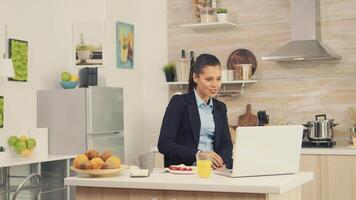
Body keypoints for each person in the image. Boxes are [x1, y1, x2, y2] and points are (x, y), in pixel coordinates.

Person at [158, 53, 233, 169]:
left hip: (214, 171)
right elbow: (164, 144)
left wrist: (220, 163)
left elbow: (226, 143)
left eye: (218, 79)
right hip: (187, 170)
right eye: (209, 79)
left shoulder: (220, 107)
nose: (215, 85)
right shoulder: (179, 103)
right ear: (195, 77)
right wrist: (198, 155)